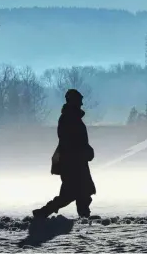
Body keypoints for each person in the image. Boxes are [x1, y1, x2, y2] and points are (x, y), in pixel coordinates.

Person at [32, 89, 96, 219]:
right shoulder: (69, 118)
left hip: (76, 161)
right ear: (74, 101)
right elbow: (70, 140)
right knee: (71, 193)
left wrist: (85, 150)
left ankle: (84, 217)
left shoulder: (71, 117)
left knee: (82, 192)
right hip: (72, 163)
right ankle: (43, 212)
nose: (82, 103)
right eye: (79, 100)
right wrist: (84, 151)